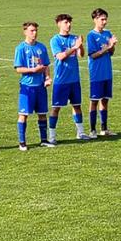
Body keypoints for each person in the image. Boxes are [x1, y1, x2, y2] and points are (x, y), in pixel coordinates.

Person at [48, 14, 89, 144]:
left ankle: (80, 133)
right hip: (61, 80)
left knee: (77, 106)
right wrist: (75, 47)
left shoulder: (74, 38)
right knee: (56, 107)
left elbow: (81, 55)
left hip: (74, 79)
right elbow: (60, 56)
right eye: (66, 22)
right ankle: (52, 136)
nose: (69, 25)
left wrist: (80, 46)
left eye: (70, 22)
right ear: (59, 24)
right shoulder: (55, 40)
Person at [13, 21, 53, 150]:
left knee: (42, 113)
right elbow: (18, 69)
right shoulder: (21, 48)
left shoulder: (41, 47)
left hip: (40, 86)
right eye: (31, 31)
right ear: (25, 32)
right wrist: (33, 70)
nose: (34, 33)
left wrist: (47, 78)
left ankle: (44, 140)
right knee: (23, 114)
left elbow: (46, 66)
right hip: (27, 87)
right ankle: (22, 142)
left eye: (36, 31)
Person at [86, 8, 117, 137]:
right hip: (96, 74)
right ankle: (92, 130)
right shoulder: (91, 35)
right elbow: (93, 55)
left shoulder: (107, 33)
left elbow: (111, 53)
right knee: (94, 101)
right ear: (95, 20)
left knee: (105, 100)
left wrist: (112, 46)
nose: (104, 22)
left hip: (107, 73)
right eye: (102, 19)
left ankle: (104, 129)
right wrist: (108, 46)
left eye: (105, 19)